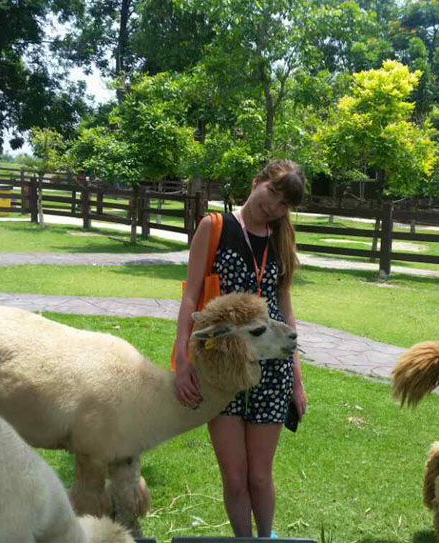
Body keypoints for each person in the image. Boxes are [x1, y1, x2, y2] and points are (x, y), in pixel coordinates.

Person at [173, 160, 307, 537]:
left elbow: (285, 307)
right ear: (257, 182)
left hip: (272, 371)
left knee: (260, 477)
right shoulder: (214, 227)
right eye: (273, 193)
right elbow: (190, 298)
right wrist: (183, 363)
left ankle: (265, 538)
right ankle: (243, 540)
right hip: (221, 368)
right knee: (234, 478)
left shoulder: (281, 238)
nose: (275, 207)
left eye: (284, 204)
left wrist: (296, 376)